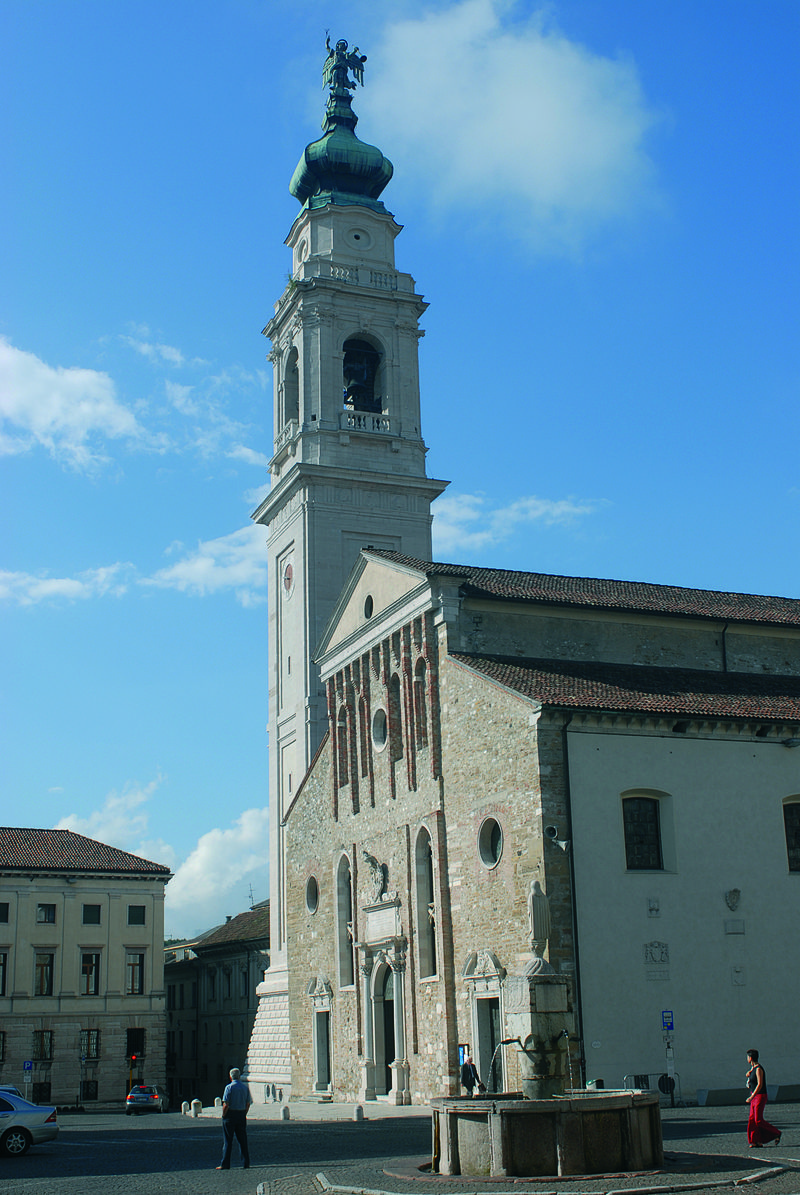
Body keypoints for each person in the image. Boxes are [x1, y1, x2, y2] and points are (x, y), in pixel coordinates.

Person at [216, 1067, 252, 1170]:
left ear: (230, 1077)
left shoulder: (229, 1088)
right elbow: (248, 1103)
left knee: (228, 1140)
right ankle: (246, 1163)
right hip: (241, 1114)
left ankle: (225, 1164)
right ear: (239, 1076)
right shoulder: (245, 1088)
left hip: (230, 1115)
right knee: (243, 1140)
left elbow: (226, 1104)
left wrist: (223, 1114)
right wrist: (244, 1113)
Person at [745, 1050, 781, 1148]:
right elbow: (751, 1079)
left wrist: (752, 1097)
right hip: (754, 1096)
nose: (747, 1059)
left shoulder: (758, 1069)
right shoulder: (753, 1068)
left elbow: (760, 1084)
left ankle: (776, 1133)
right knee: (752, 1120)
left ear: (751, 1058)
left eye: (748, 1057)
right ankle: (756, 1141)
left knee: (758, 1120)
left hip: (759, 1096)